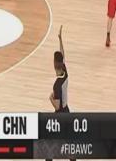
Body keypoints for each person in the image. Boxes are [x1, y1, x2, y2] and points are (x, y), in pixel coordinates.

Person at [46, 26, 75, 161]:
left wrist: (50, 98)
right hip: (67, 110)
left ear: (54, 64)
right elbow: (63, 55)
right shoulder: (65, 73)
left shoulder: (57, 85)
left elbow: (57, 106)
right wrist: (60, 39)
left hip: (60, 113)